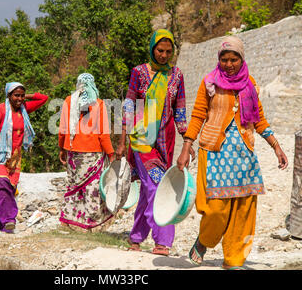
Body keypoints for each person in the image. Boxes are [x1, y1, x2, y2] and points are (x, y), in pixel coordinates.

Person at [176, 35, 288, 269]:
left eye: (233, 59)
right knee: (216, 209)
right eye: (224, 59)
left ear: (241, 58)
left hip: (244, 155)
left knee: (243, 210)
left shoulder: (251, 85)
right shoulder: (209, 83)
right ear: (219, 59)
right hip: (215, 153)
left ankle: (234, 259)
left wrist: (276, 146)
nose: (229, 64)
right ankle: (204, 241)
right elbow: (197, 115)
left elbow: (260, 121)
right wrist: (186, 147)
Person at [116, 29, 194, 256]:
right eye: (160, 50)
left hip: (165, 141)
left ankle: (136, 237)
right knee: (157, 186)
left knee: (146, 191)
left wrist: (187, 143)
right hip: (141, 140)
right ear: (152, 48)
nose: (164, 55)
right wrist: (122, 141)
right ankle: (163, 241)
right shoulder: (139, 73)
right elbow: (129, 106)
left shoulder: (176, 75)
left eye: (169, 51)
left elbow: (179, 111)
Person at [0, 82, 48, 233]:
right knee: (1, 184)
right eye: (16, 95)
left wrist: (23, 96)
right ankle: (9, 219)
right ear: (8, 95)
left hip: (14, 158)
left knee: (1, 189)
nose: (20, 99)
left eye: (22, 96)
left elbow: (43, 98)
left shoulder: (24, 109)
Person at [58, 73, 115, 231]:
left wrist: (62, 149)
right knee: (92, 188)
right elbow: (103, 135)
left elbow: (63, 130)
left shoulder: (69, 101)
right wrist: (111, 154)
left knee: (74, 186)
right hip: (93, 154)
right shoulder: (99, 104)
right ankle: (92, 223)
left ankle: (71, 222)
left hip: (73, 152)